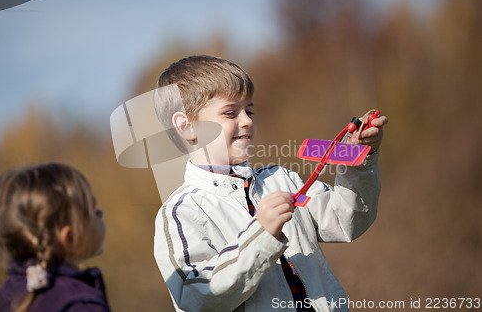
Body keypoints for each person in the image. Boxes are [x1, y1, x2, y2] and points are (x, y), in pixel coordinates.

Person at [153, 55, 388, 312]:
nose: (247, 121)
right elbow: (198, 296)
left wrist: (359, 157)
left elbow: (348, 220)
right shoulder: (182, 213)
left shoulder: (281, 179)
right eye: (231, 112)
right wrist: (261, 235)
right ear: (186, 126)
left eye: (249, 111)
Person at [0, 163, 110, 312]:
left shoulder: (0, 298)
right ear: (69, 237)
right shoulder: (81, 305)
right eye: (93, 209)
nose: (101, 214)